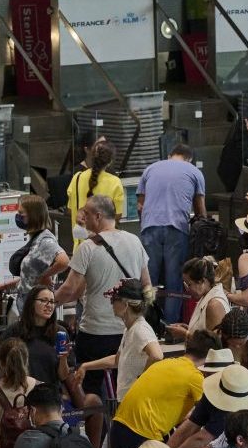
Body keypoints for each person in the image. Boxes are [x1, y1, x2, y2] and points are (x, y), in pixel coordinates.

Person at [56, 193, 152, 401]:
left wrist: (46, 301)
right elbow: (147, 285)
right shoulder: (134, 241)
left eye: (86, 214)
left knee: (91, 391)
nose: (82, 218)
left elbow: (70, 289)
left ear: (98, 216)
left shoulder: (88, 247)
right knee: (126, 385)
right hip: (128, 330)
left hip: (96, 331)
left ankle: (96, 431)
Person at [108, 332, 213, 448]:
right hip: (143, 435)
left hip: (119, 427)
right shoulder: (195, 376)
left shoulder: (165, 362)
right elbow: (208, 410)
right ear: (209, 357)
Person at [137, 144, 207, 323]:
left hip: (149, 228)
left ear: (170, 155)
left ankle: (146, 323)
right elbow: (201, 211)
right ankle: (170, 326)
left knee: (148, 281)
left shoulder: (150, 169)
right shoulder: (194, 171)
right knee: (174, 281)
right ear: (189, 159)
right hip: (177, 229)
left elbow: (140, 206)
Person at [74, 279, 164, 406]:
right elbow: (117, 360)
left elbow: (157, 355)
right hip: (129, 400)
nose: (111, 304)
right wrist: (86, 366)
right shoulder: (130, 328)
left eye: (113, 300)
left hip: (137, 402)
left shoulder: (140, 329)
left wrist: (141, 380)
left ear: (125, 304)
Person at [0, 195, 67, 324]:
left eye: (21, 214)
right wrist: (5, 286)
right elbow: (30, 277)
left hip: (37, 313)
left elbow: (63, 261)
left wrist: (45, 275)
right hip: (27, 310)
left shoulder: (45, 241)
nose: (17, 217)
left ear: (33, 216)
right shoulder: (35, 239)